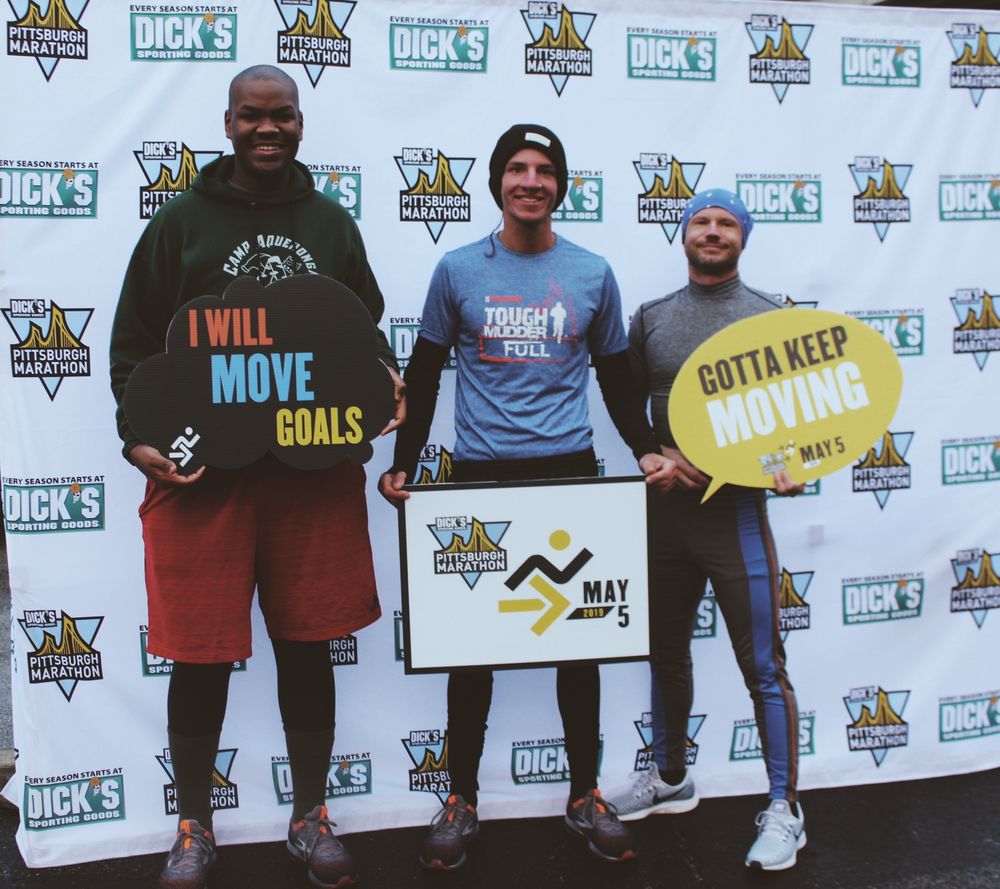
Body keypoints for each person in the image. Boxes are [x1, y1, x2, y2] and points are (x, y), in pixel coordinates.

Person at [109, 65, 404, 889]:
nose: (267, 129)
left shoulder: (331, 222)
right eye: (251, 115)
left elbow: (364, 331)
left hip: (312, 471)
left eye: (282, 116)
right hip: (207, 477)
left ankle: (310, 814)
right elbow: (133, 346)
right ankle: (193, 824)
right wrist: (136, 439)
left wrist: (386, 380)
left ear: (301, 122)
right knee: (198, 655)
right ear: (229, 122)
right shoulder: (179, 223)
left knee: (308, 646)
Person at [380, 124, 676, 870]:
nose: (531, 181)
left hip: (568, 475)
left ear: (560, 186)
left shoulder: (591, 272)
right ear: (497, 182)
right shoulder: (457, 270)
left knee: (578, 648)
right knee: (469, 650)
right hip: (481, 478)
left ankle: (583, 794)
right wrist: (404, 464)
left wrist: (645, 446)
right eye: (517, 168)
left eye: (545, 170)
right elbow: (424, 371)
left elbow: (616, 376)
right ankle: (460, 799)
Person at [607, 188, 806, 870]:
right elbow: (627, 402)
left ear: (742, 237)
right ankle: (669, 777)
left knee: (763, 666)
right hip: (666, 514)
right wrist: (652, 452)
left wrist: (793, 466)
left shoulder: (772, 315)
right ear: (685, 234)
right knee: (665, 651)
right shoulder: (652, 316)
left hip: (735, 515)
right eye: (701, 221)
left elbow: (796, 416)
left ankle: (784, 808)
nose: (713, 231)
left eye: (726, 223)